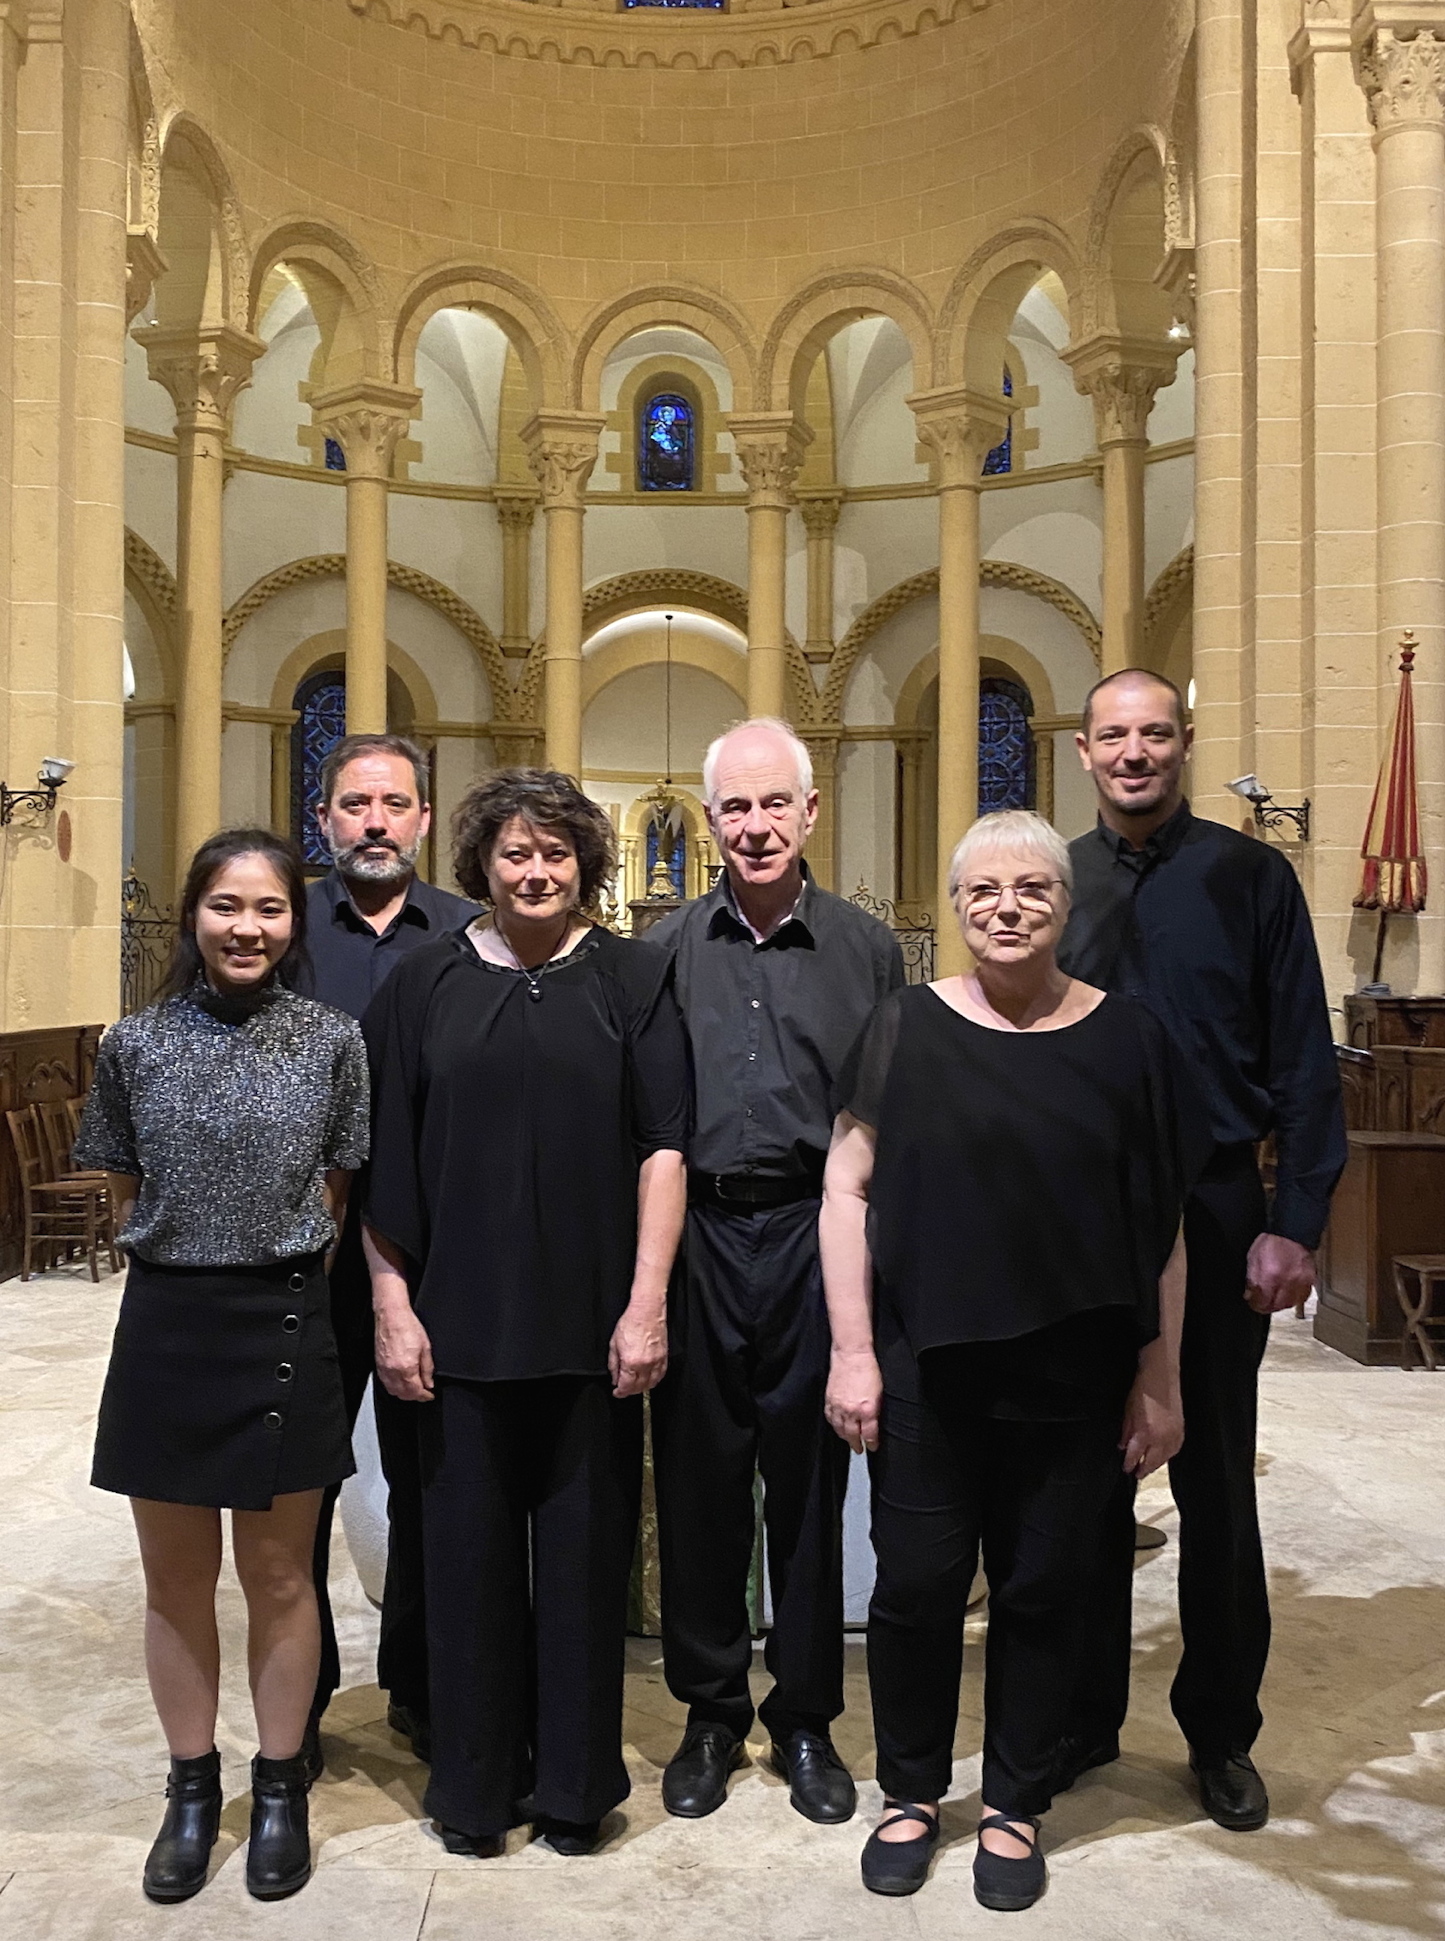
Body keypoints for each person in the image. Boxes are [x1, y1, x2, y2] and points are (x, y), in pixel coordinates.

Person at [821, 809, 1200, 1913]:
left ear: (1062, 906)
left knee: (1042, 1593)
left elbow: (1163, 1226)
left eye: (1029, 888)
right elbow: (843, 1192)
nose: (1005, 907)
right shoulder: (902, 1027)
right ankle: (906, 1791)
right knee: (916, 1591)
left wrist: (1160, 1379)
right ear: (953, 907)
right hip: (928, 1371)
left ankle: (1013, 1804)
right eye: (982, 891)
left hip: (1075, 1378)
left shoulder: (1127, 1039)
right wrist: (851, 1351)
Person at [361, 768, 688, 1857]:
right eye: (514, 853)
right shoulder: (419, 985)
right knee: (465, 1569)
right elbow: (384, 1165)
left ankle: (573, 1789)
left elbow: (662, 1148)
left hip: (595, 1331)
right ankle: (472, 1789)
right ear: (481, 867)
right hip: (454, 1330)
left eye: (555, 853)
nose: (536, 871)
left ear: (588, 864)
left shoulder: (634, 979)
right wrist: (393, 1305)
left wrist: (645, 1306)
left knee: (587, 1569)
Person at [1057, 668, 1347, 1830]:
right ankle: (1077, 1717)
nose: (1134, 753)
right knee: (1076, 1482)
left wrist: (1297, 1219)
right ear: (1080, 752)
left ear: (1182, 745)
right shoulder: (1052, 880)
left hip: (1219, 1206)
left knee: (1216, 1481)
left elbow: (1303, 1060)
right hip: (1074, 1215)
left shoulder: (1248, 876)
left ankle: (1219, 1732)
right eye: (1112, 736)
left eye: (1154, 735)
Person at [74, 829, 369, 1905]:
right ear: (195, 916)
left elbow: (334, 1194)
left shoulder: (334, 1040)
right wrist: (187, 1248)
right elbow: (121, 1190)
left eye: (270, 910)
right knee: (175, 1578)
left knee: (282, 1577)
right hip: (168, 1324)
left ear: (295, 923)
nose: (248, 928)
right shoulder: (132, 1044)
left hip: (285, 1319)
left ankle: (280, 1784)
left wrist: (259, 1252)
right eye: (226, 907)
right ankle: (191, 1788)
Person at [647, 718, 904, 1826]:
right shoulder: (660, 950)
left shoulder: (866, 949)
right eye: (733, 808)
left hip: (815, 1234)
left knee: (807, 1489)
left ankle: (803, 1717)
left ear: (809, 813)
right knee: (701, 1485)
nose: (754, 826)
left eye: (773, 804)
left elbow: (886, 1120)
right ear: (710, 824)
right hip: (700, 1234)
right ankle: (709, 1713)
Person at [299, 732, 474, 1774]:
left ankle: (420, 1682)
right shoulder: (287, 928)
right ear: (325, 820)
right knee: (302, 1484)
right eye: (355, 802)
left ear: (421, 820)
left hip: (434, 1252)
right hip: (308, 1252)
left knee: (432, 1476)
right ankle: (305, 1697)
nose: (374, 820)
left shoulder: (465, 934)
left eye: (394, 803)